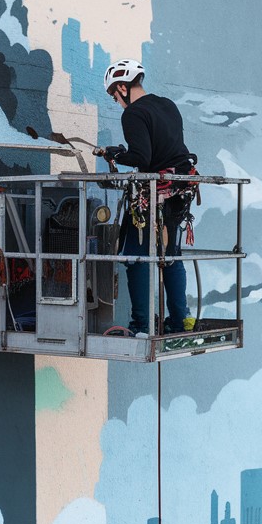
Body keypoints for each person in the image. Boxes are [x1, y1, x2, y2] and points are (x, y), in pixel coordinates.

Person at [99, 59, 194, 335]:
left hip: (153, 197)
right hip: (178, 192)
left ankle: (141, 324)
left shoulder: (133, 113)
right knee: (171, 255)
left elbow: (143, 157)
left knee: (136, 257)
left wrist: (116, 154)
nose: (117, 102)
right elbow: (166, 149)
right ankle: (181, 320)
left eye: (114, 96)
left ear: (122, 87)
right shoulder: (168, 105)